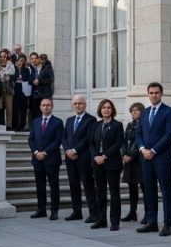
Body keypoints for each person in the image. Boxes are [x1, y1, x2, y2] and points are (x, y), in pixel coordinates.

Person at [136, 82, 171, 236]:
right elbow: (138, 133)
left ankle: (168, 225)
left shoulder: (169, 112)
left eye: (157, 92)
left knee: (166, 191)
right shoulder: (144, 112)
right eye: (151, 93)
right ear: (148, 94)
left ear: (161, 94)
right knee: (149, 191)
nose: (154, 95)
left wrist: (153, 150)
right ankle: (151, 222)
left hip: (162, 158)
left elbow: (168, 134)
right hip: (145, 158)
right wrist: (142, 149)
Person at [89, 99, 124, 231]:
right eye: (104, 107)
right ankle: (101, 220)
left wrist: (104, 156)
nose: (106, 109)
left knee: (114, 192)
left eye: (109, 107)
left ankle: (115, 221)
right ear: (100, 110)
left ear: (112, 110)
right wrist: (96, 156)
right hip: (97, 163)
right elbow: (91, 142)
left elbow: (118, 143)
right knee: (100, 192)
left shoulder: (118, 125)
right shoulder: (96, 125)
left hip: (112, 163)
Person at [62, 95, 97, 223]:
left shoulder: (91, 120)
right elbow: (64, 137)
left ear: (85, 105)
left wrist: (75, 150)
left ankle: (94, 213)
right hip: (70, 159)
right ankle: (77, 212)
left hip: (84, 158)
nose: (78, 105)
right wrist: (68, 151)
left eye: (80, 103)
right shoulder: (69, 120)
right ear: (72, 105)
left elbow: (88, 138)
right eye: (75, 103)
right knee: (73, 185)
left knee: (88, 185)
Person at [28, 98, 63, 220]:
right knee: (40, 185)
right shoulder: (36, 122)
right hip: (37, 159)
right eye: (43, 105)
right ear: (40, 107)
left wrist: (45, 152)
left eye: (48, 105)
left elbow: (58, 141)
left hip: (51, 159)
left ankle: (54, 211)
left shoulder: (58, 122)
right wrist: (37, 152)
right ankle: (41, 209)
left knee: (54, 186)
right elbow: (31, 139)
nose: (46, 107)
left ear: (52, 107)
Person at [120, 102, 144, 222]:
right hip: (129, 162)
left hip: (139, 161)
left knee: (145, 189)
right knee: (132, 189)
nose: (134, 112)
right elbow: (124, 141)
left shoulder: (145, 125)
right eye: (133, 110)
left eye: (137, 110)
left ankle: (148, 214)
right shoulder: (129, 125)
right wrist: (124, 154)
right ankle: (132, 212)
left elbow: (140, 143)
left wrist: (132, 156)